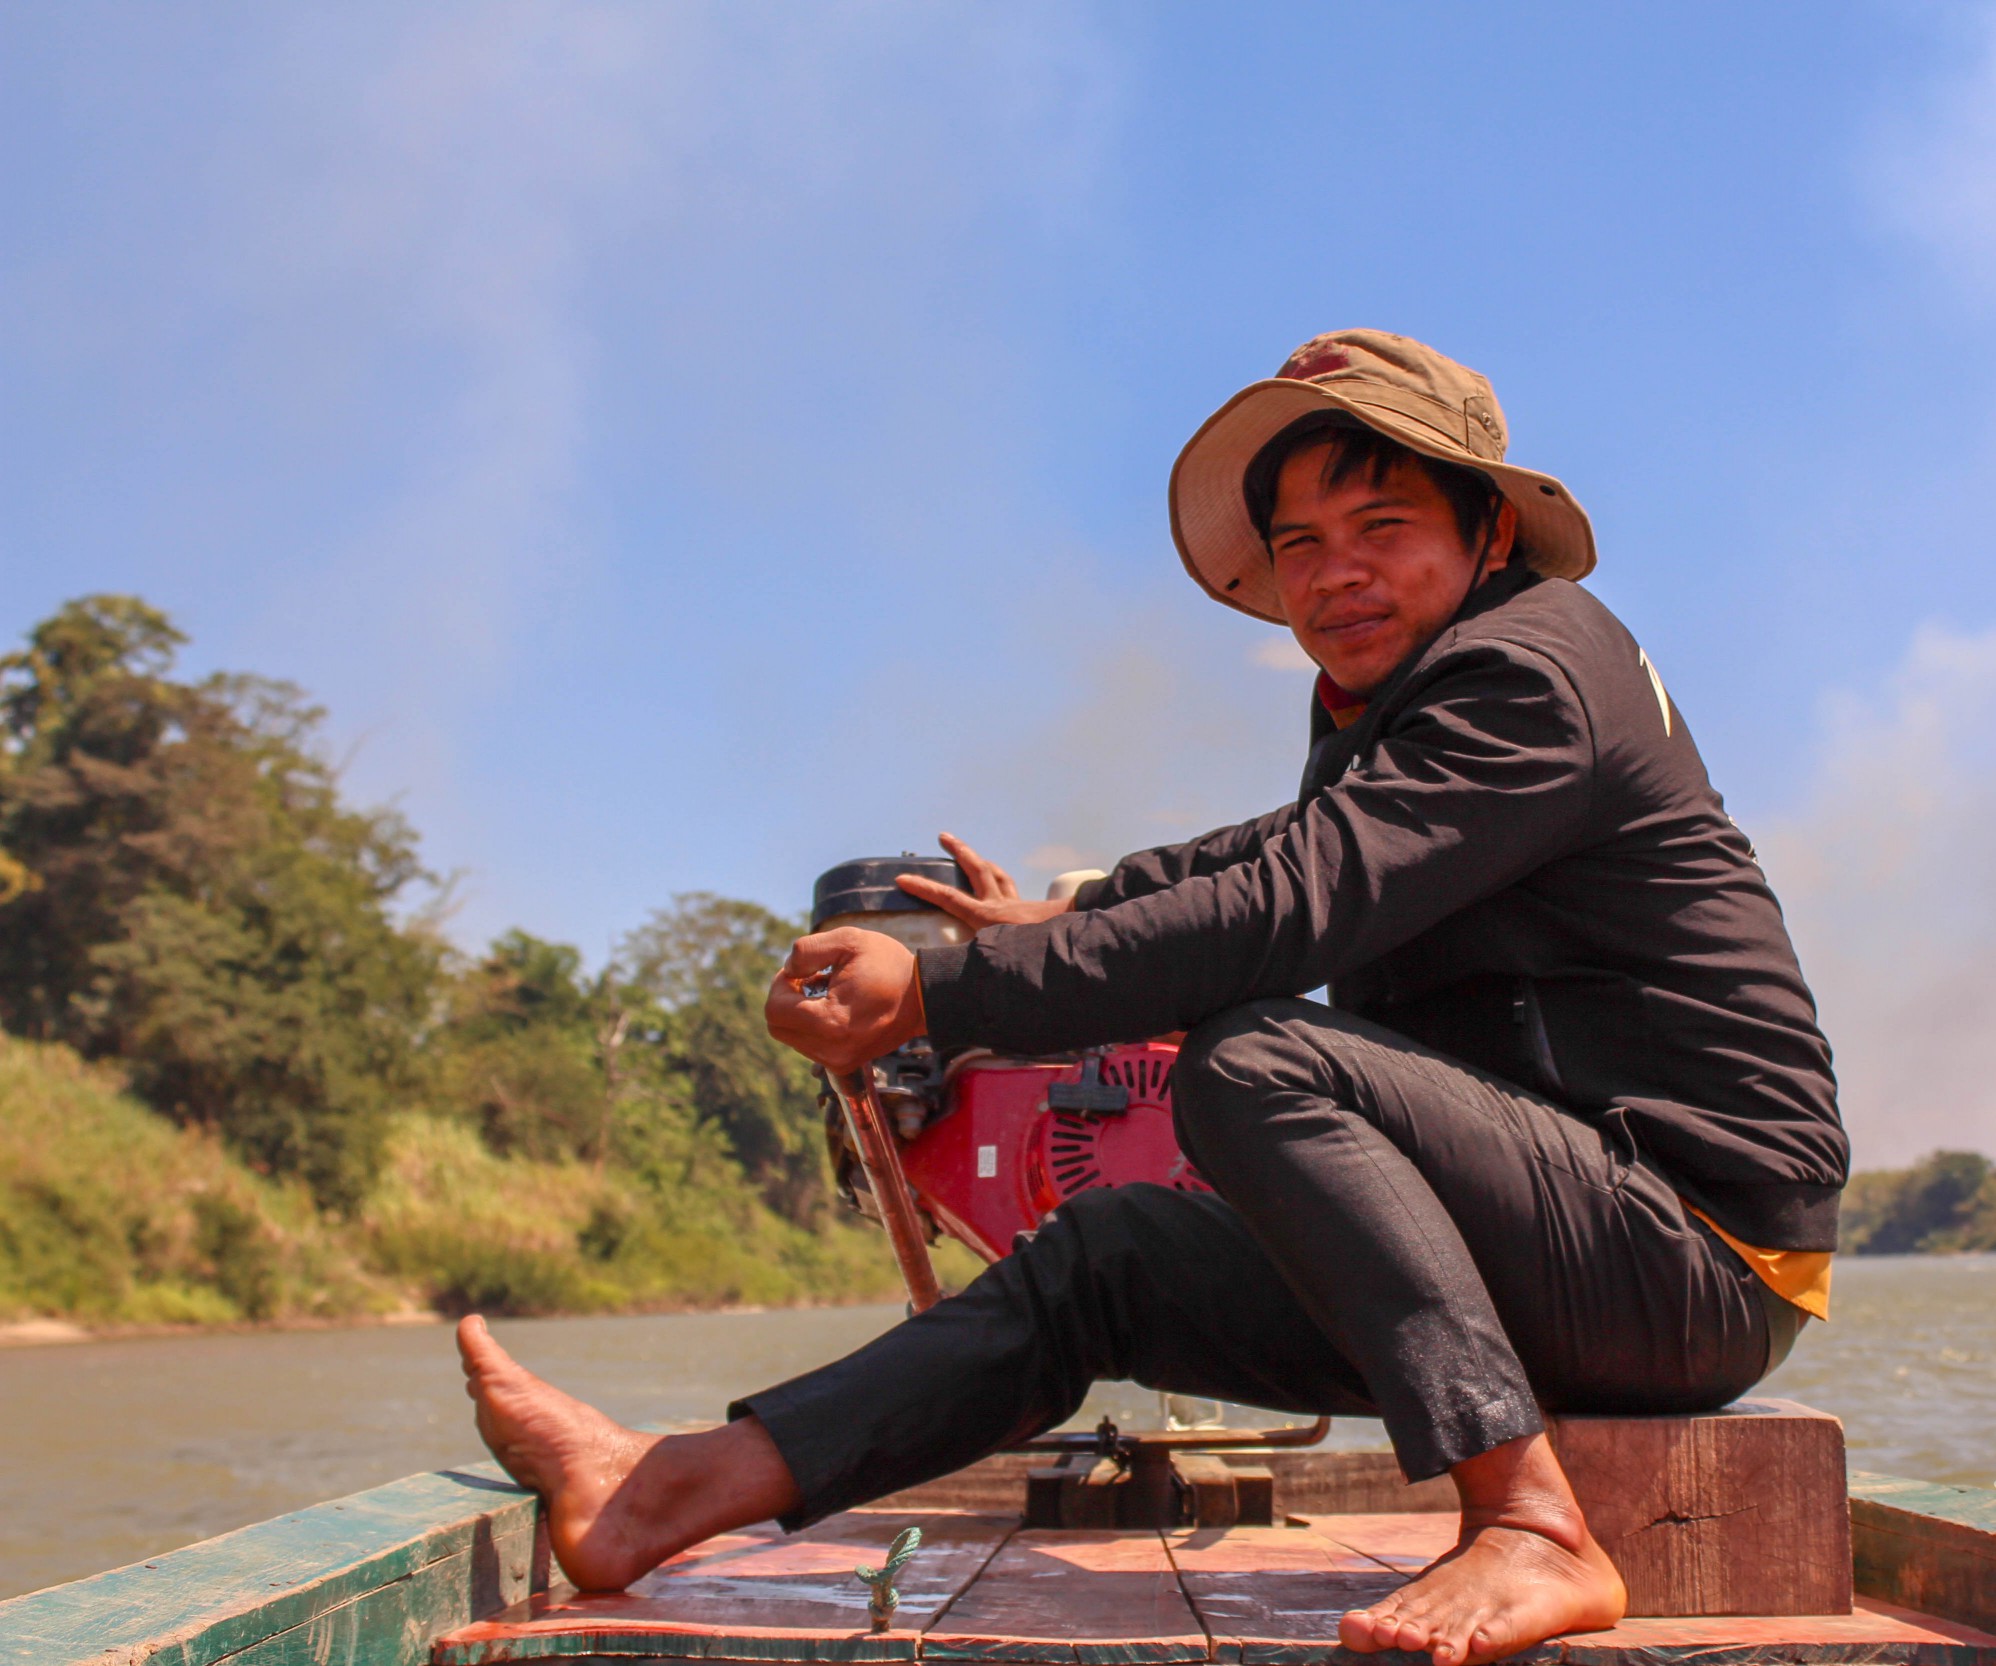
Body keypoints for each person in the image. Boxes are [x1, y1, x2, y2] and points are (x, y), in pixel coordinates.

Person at [457, 330, 1846, 1666]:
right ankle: (658, 1489)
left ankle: (1533, 1522)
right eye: (1299, 544)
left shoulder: (1534, 666)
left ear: (1489, 531)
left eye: (1383, 527)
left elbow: (1292, 899)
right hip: (1548, 1244)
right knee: (1110, 1251)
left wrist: (943, 994)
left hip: (1693, 1248)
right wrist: (1069, 908)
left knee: (1254, 1060)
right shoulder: (1391, 697)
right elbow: (1265, 854)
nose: (1335, 575)